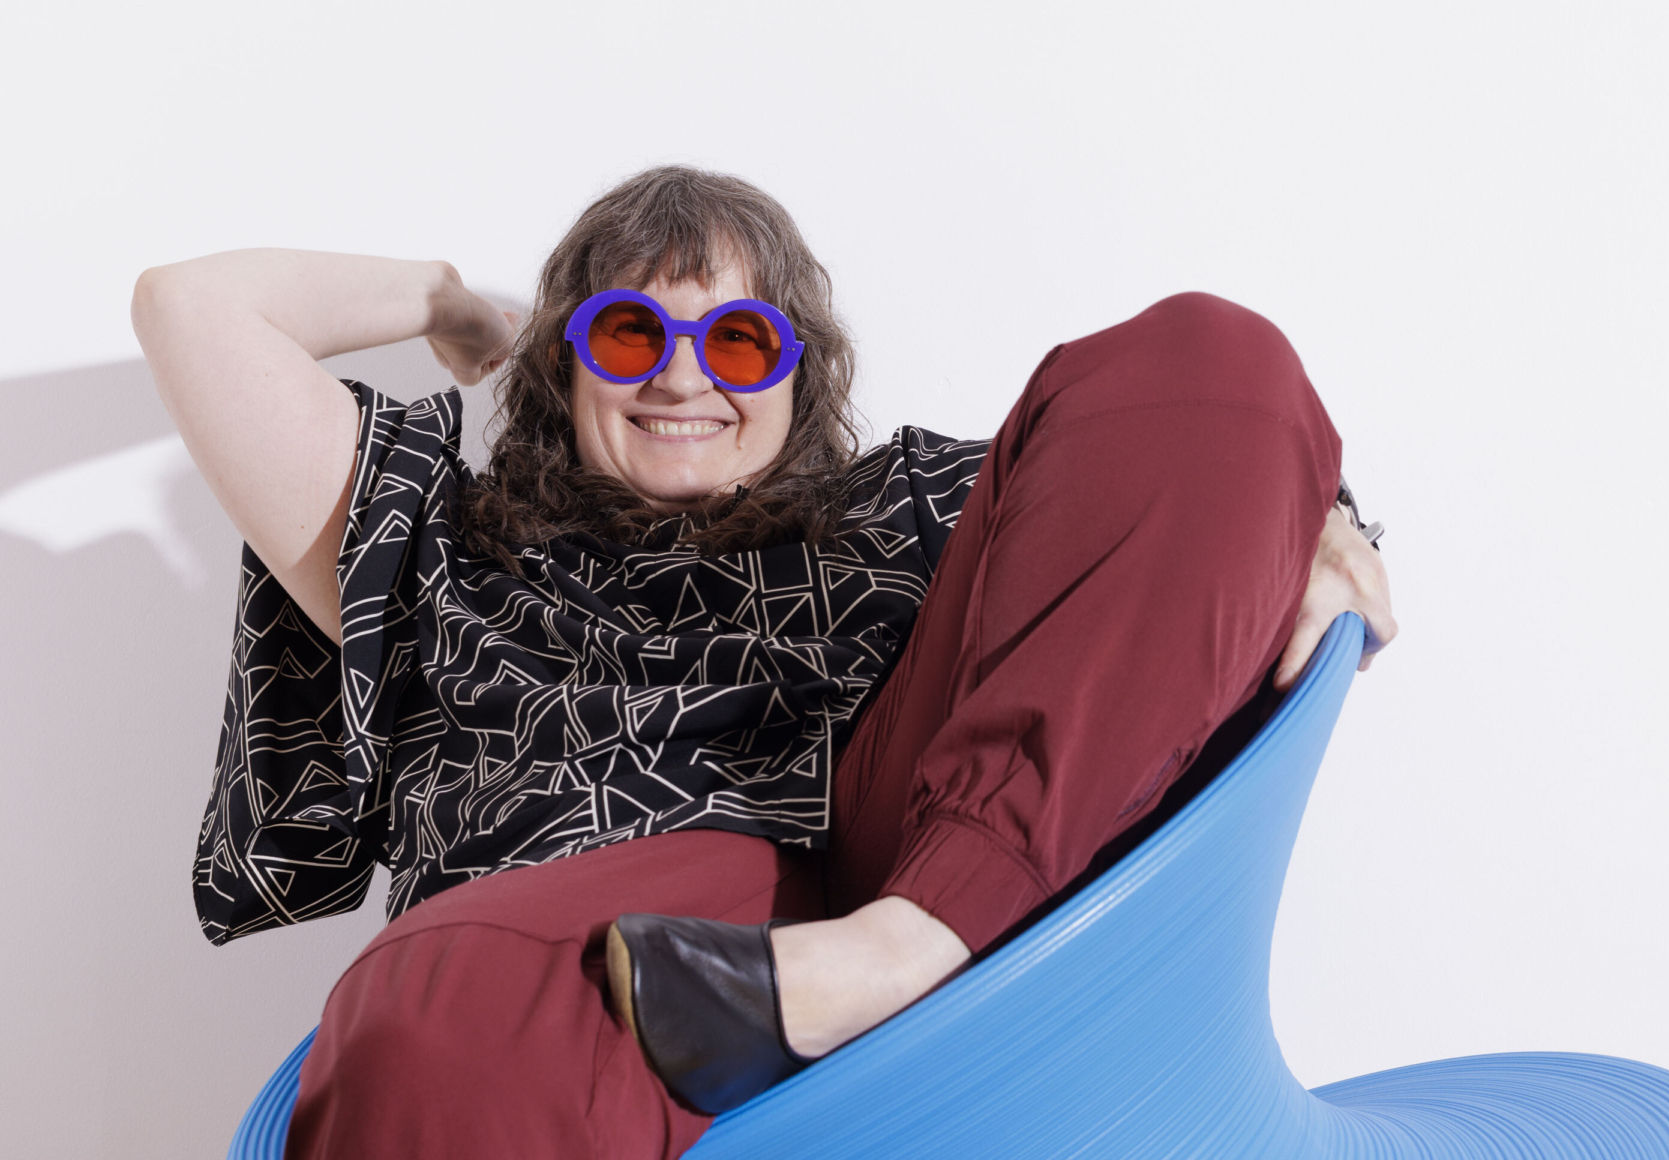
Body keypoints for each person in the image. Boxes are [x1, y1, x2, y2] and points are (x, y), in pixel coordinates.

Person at [134, 165, 1395, 1160]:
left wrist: (1331, 524)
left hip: (907, 857)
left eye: (739, 342)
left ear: (800, 367)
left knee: (1203, 349)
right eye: (628, 333)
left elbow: (1197, 471)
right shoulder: (441, 543)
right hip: (601, 943)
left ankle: (900, 948)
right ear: (565, 361)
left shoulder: (911, 504)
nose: (683, 373)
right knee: (438, 1002)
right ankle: (830, 970)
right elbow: (194, 308)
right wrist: (453, 303)